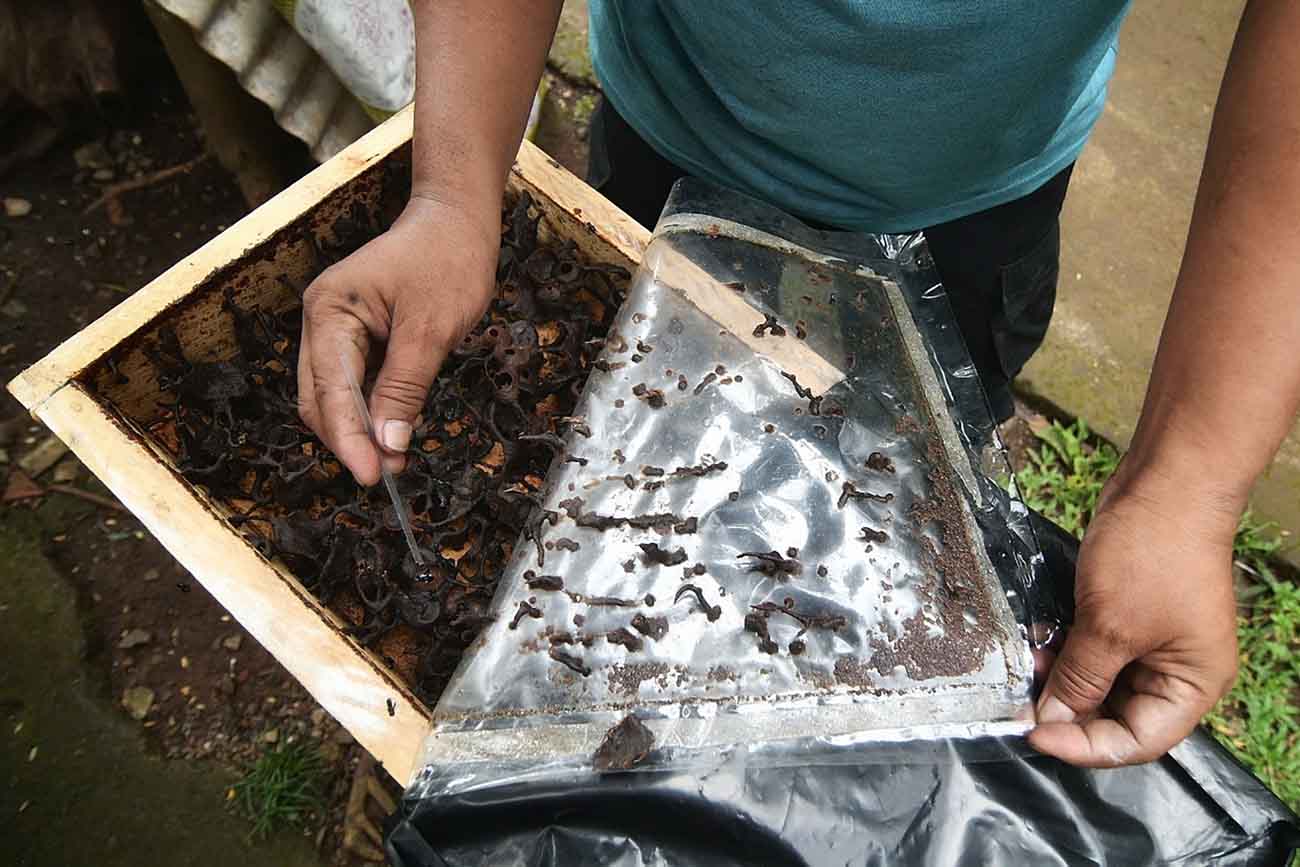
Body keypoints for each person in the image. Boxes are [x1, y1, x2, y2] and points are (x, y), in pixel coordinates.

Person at [295, 1, 1300, 769]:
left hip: (972, 205)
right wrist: (453, 195)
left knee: (891, 533)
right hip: (662, 138)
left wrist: (1185, 486)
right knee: (626, 500)